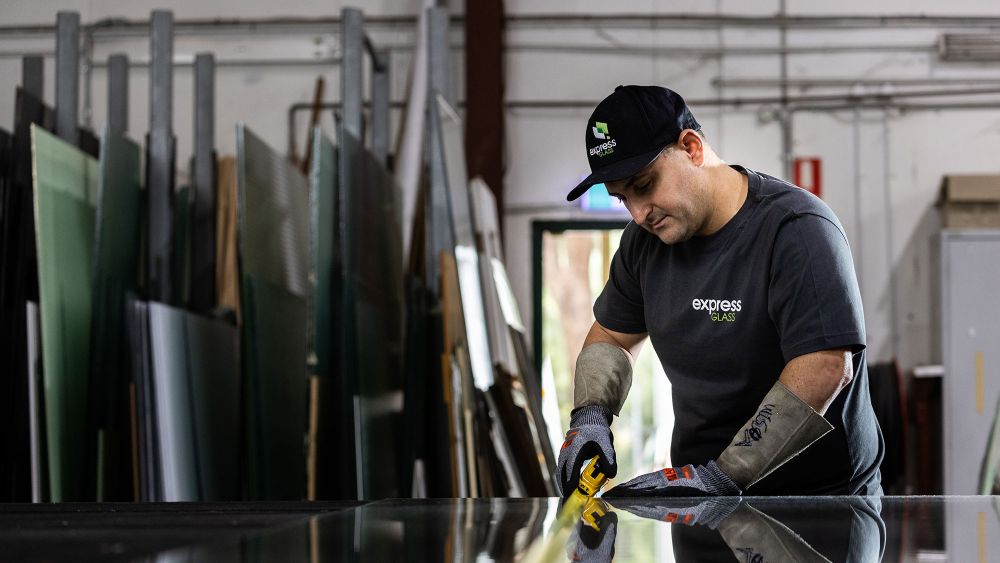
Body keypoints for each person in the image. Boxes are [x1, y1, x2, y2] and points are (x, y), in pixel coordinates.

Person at [555, 85, 884, 497]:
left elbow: (825, 364)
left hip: (820, 503)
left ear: (691, 147)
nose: (639, 213)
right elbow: (612, 336)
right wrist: (590, 416)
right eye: (623, 199)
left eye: (644, 185)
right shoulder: (643, 244)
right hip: (697, 497)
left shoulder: (796, 228)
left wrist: (726, 475)